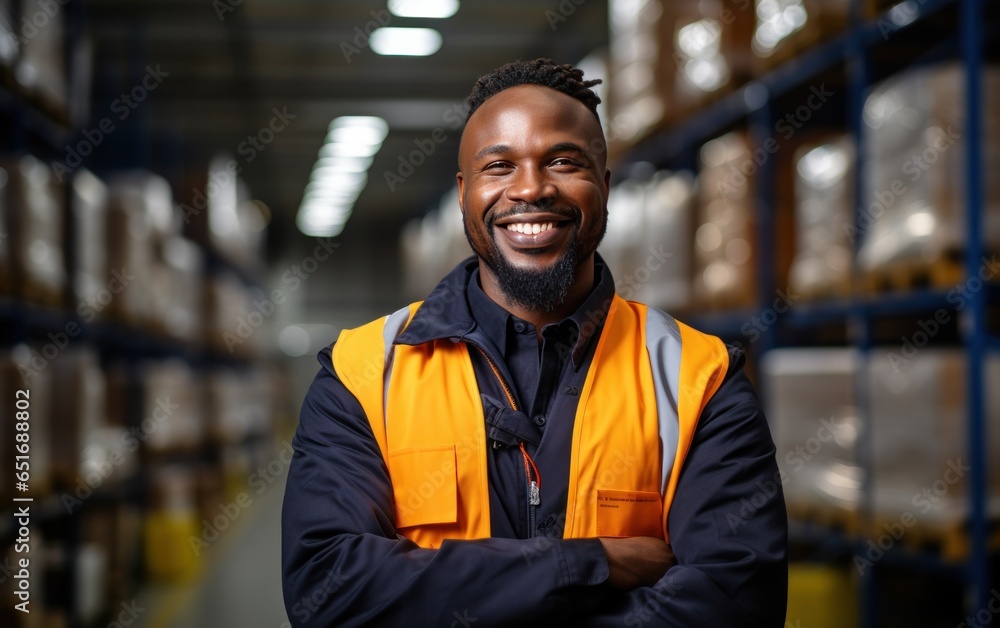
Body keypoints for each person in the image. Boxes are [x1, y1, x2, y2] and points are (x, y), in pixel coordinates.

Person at [281, 58, 787, 627]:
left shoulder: (699, 378)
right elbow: (326, 590)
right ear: (464, 193)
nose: (530, 188)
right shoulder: (363, 374)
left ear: (605, 185)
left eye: (563, 161)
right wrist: (586, 564)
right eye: (499, 166)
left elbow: (735, 605)